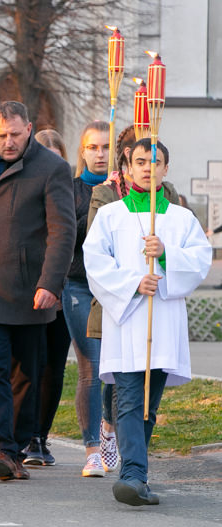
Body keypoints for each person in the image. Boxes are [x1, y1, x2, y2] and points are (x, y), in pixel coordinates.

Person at [0, 101, 75, 482]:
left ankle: (18, 445)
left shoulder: (52, 168)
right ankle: (3, 449)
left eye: (15, 134)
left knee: (26, 374)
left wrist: (49, 283)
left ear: (29, 129)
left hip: (29, 290)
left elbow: (63, 231)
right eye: (1, 134)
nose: (8, 142)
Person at [84, 139, 210, 505]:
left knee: (146, 406)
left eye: (155, 162)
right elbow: (95, 263)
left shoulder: (181, 218)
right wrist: (134, 283)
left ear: (165, 169)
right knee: (127, 399)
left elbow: (200, 261)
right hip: (126, 321)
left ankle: (136, 471)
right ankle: (133, 475)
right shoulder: (111, 215)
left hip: (163, 323)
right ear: (127, 168)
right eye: (140, 161)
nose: (147, 167)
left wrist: (167, 254)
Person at [55, 121, 112, 477]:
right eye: (93, 147)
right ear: (83, 151)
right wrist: (97, 206)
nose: (100, 153)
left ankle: (110, 432)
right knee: (91, 367)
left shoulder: (123, 189)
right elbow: (66, 235)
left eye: (106, 147)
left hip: (117, 288)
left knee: (117, 368)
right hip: (79, 284)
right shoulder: (71, 189)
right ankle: (93, 448)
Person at [22, 129, 73, 468]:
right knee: (28, 365)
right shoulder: (23, 187)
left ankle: (40, 435)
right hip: (26, 286)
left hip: (62, 288)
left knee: (53, 366)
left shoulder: (68, 188)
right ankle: (23, 433)